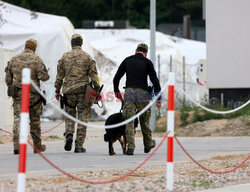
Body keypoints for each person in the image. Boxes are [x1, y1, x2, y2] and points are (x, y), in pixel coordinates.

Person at [113, 43, 162, 155]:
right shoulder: (147, 62)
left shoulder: (127, 60)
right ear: (146, 53)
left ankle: (130, 147)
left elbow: (116, 78)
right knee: (144, 121)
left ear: (136, 51)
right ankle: (147, 144)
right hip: (143, 94)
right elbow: (155, 80)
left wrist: (116, 91)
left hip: (129, 93)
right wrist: (158, 97)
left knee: (129, 121)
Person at [54, 34, 100, 153]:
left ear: (72, 43)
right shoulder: (87, 57)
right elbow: (94, 75)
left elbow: (59, 76)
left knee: (70, 115)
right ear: (81, 43)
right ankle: (79, 145)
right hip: (83, 91)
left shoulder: (64, 57)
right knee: (82, 117)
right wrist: (97, 89)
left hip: (68, 91)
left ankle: (69, 133)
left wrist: (57, 90)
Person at [5, 39, 50, 154]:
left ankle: (16, 146)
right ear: (34, 47)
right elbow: (44, 77)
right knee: (34, 120)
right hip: (34, 96)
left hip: (19, 94)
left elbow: (8, 79)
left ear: (25, 46)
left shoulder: (14, 59)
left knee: (17, 119)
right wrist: (46, 73)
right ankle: (37, 146)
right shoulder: (37, 59)